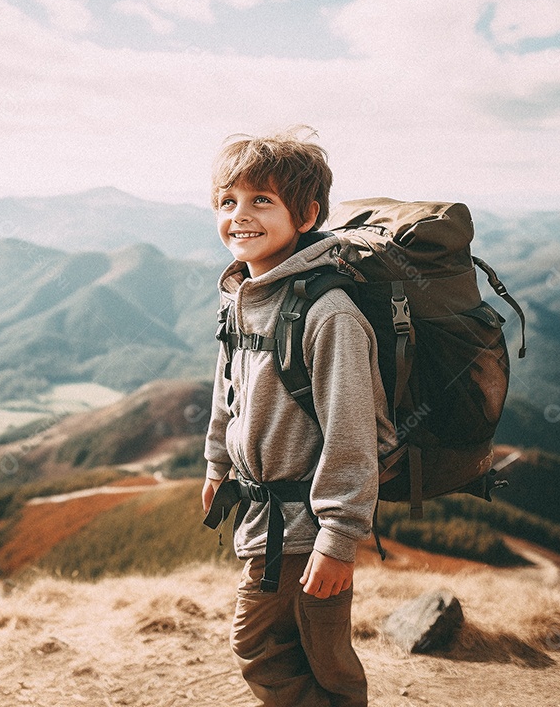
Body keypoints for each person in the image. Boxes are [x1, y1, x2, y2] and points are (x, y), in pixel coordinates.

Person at [202, 127, 397, 707]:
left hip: (303, 526)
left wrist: (338, 538)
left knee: (262, 646)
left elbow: (353, 433)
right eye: (227, 200)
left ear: (307, 213)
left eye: (262, 200)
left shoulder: (327, 314)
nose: (240, 215)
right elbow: (227, 389)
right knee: (317, 656)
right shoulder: (244, 294)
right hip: (269, 516)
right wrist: (217, 463)